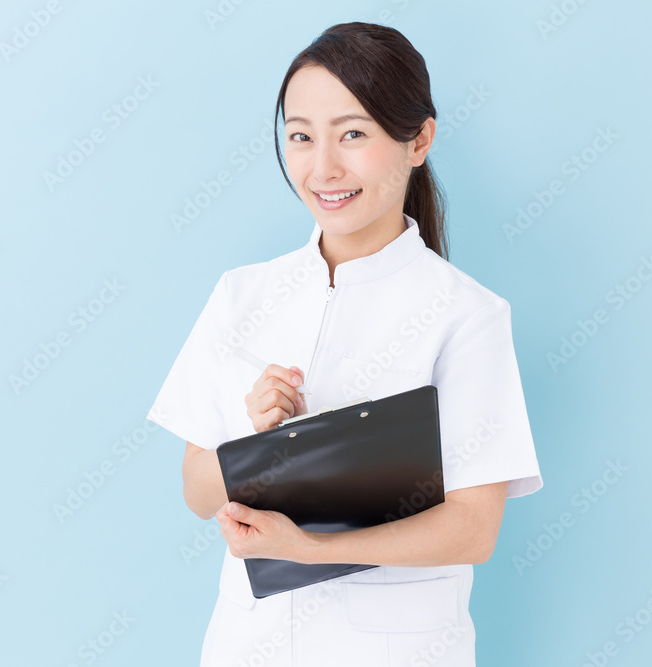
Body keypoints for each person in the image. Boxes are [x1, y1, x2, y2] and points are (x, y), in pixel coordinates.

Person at [145, 22, 544, 667]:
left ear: (419, 140)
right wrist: (254, 440)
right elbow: (197, 493)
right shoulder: (241, 294)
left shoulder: (466, 316)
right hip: (247, 646)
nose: (323, 168)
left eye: (352, 134)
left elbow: (474, 527)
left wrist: (311, 549)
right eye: (301, 136)